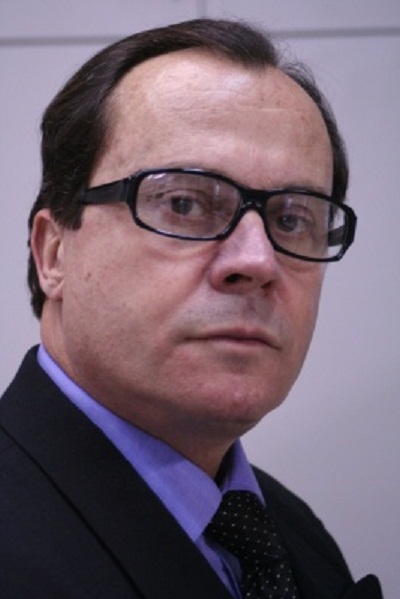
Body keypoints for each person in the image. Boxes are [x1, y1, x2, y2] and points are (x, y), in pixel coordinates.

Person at [0, 18, 382, 599]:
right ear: (54, 253)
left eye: (291, 218)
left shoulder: (293, 531)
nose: (257, 261)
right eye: (183, 203)